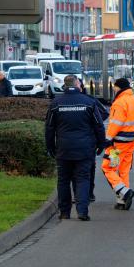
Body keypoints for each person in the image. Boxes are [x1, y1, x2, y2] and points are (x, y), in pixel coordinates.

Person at [45, 75, 105, 221]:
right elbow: (99, 126)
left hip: (64, 149)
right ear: (77, 84)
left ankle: (65, 212)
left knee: (63, 180)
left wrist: (50, 147)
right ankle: (82, 211)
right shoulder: (89, 102)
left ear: (65, 86)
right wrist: (101, 144)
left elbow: (49, 128)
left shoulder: (56, 103)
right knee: (83, 179)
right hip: (85, 149)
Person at [102, 78, 134, 210]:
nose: (113, 89)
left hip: (119, 143)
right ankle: (122, 201)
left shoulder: (119, 103)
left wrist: (107, 139)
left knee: (108, 167)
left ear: (119, 87)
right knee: (124, 170)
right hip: (132, 140)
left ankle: (125, 193)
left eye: (114, 87)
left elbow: (115, 124)